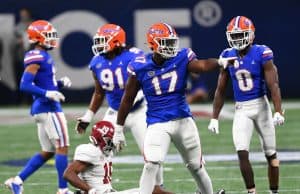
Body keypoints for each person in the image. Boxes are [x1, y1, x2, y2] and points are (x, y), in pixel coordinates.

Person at [116, 22, 233, 194]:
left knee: (196, 167)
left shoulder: (182, 57)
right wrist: (118, 128)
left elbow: (201, 66)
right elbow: (127, 99)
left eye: (172, 42)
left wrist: (219, 62)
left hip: (183, 120)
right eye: (166, 42)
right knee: (151, 165)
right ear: (153, 44)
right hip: (157, 124)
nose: (171, 47)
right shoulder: (140, 66)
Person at [75, 23, 172, 194]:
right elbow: (99, 93)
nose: (100, 44)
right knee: (98, 148)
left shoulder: (133, 57)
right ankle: (95, 188)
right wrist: (88, 116)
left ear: (117, 41)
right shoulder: (97, 62)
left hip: (139, 111)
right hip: (114, 112)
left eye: (104, 40)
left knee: (151, 153)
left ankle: (158, 187)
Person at [208, 16, 284, 194]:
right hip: (242, 109)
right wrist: (214, 117)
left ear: (251, 35)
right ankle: (252, 192)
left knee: (271, 154)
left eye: (241, 35)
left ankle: (274, 191)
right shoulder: (227, 56)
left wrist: (278, 111)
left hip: (261, 107)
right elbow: (220, 89)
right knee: (242, 151)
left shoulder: (262, 53)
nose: (237, 40)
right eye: (234, 36)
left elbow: (273, 84)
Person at [4, 20, 73, 194]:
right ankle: (63, 190)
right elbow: (24, 85)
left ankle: (17, 181)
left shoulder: (41, 55)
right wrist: (48, 94)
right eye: (48, 36)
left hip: (42, 107)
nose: (51, 39)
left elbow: (44, 83)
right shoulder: (37, 55)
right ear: (37, 38)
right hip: (48, 107)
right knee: (62, 147)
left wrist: (59, 84)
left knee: (48, 151)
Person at [64, 120, 141, 194]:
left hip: (108, 191)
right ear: (99, 138)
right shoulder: (90, 151)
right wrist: (89, 189)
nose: (112, 143)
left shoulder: (107, 152)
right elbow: (68, 174)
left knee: (146, 190)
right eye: (109, 140)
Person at [12, 8, 34, 104]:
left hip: (32, 57)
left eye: (25, 14)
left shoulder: (34, 25)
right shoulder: (18, 27)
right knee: (21, 80)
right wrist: (19, 42)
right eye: (22, 14)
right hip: (21, 57)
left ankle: (32, 99)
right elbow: (13, 42)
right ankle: (22, 100)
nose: (23, 16)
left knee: (32, 79)